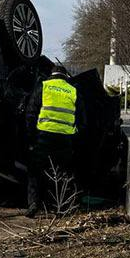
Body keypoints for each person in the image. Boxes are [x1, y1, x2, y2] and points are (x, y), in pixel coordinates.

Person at [25, 65, 83, 218]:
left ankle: (33, 204)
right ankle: (61, 207)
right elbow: (82, 119)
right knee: (63, 172)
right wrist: (74, 135)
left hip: (43, 136)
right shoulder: (73, 90)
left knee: (35, 171)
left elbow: (30, 113)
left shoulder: (43, 86)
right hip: (64, 139)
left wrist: (31, 138)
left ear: (51, 75)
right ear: (65, 76)